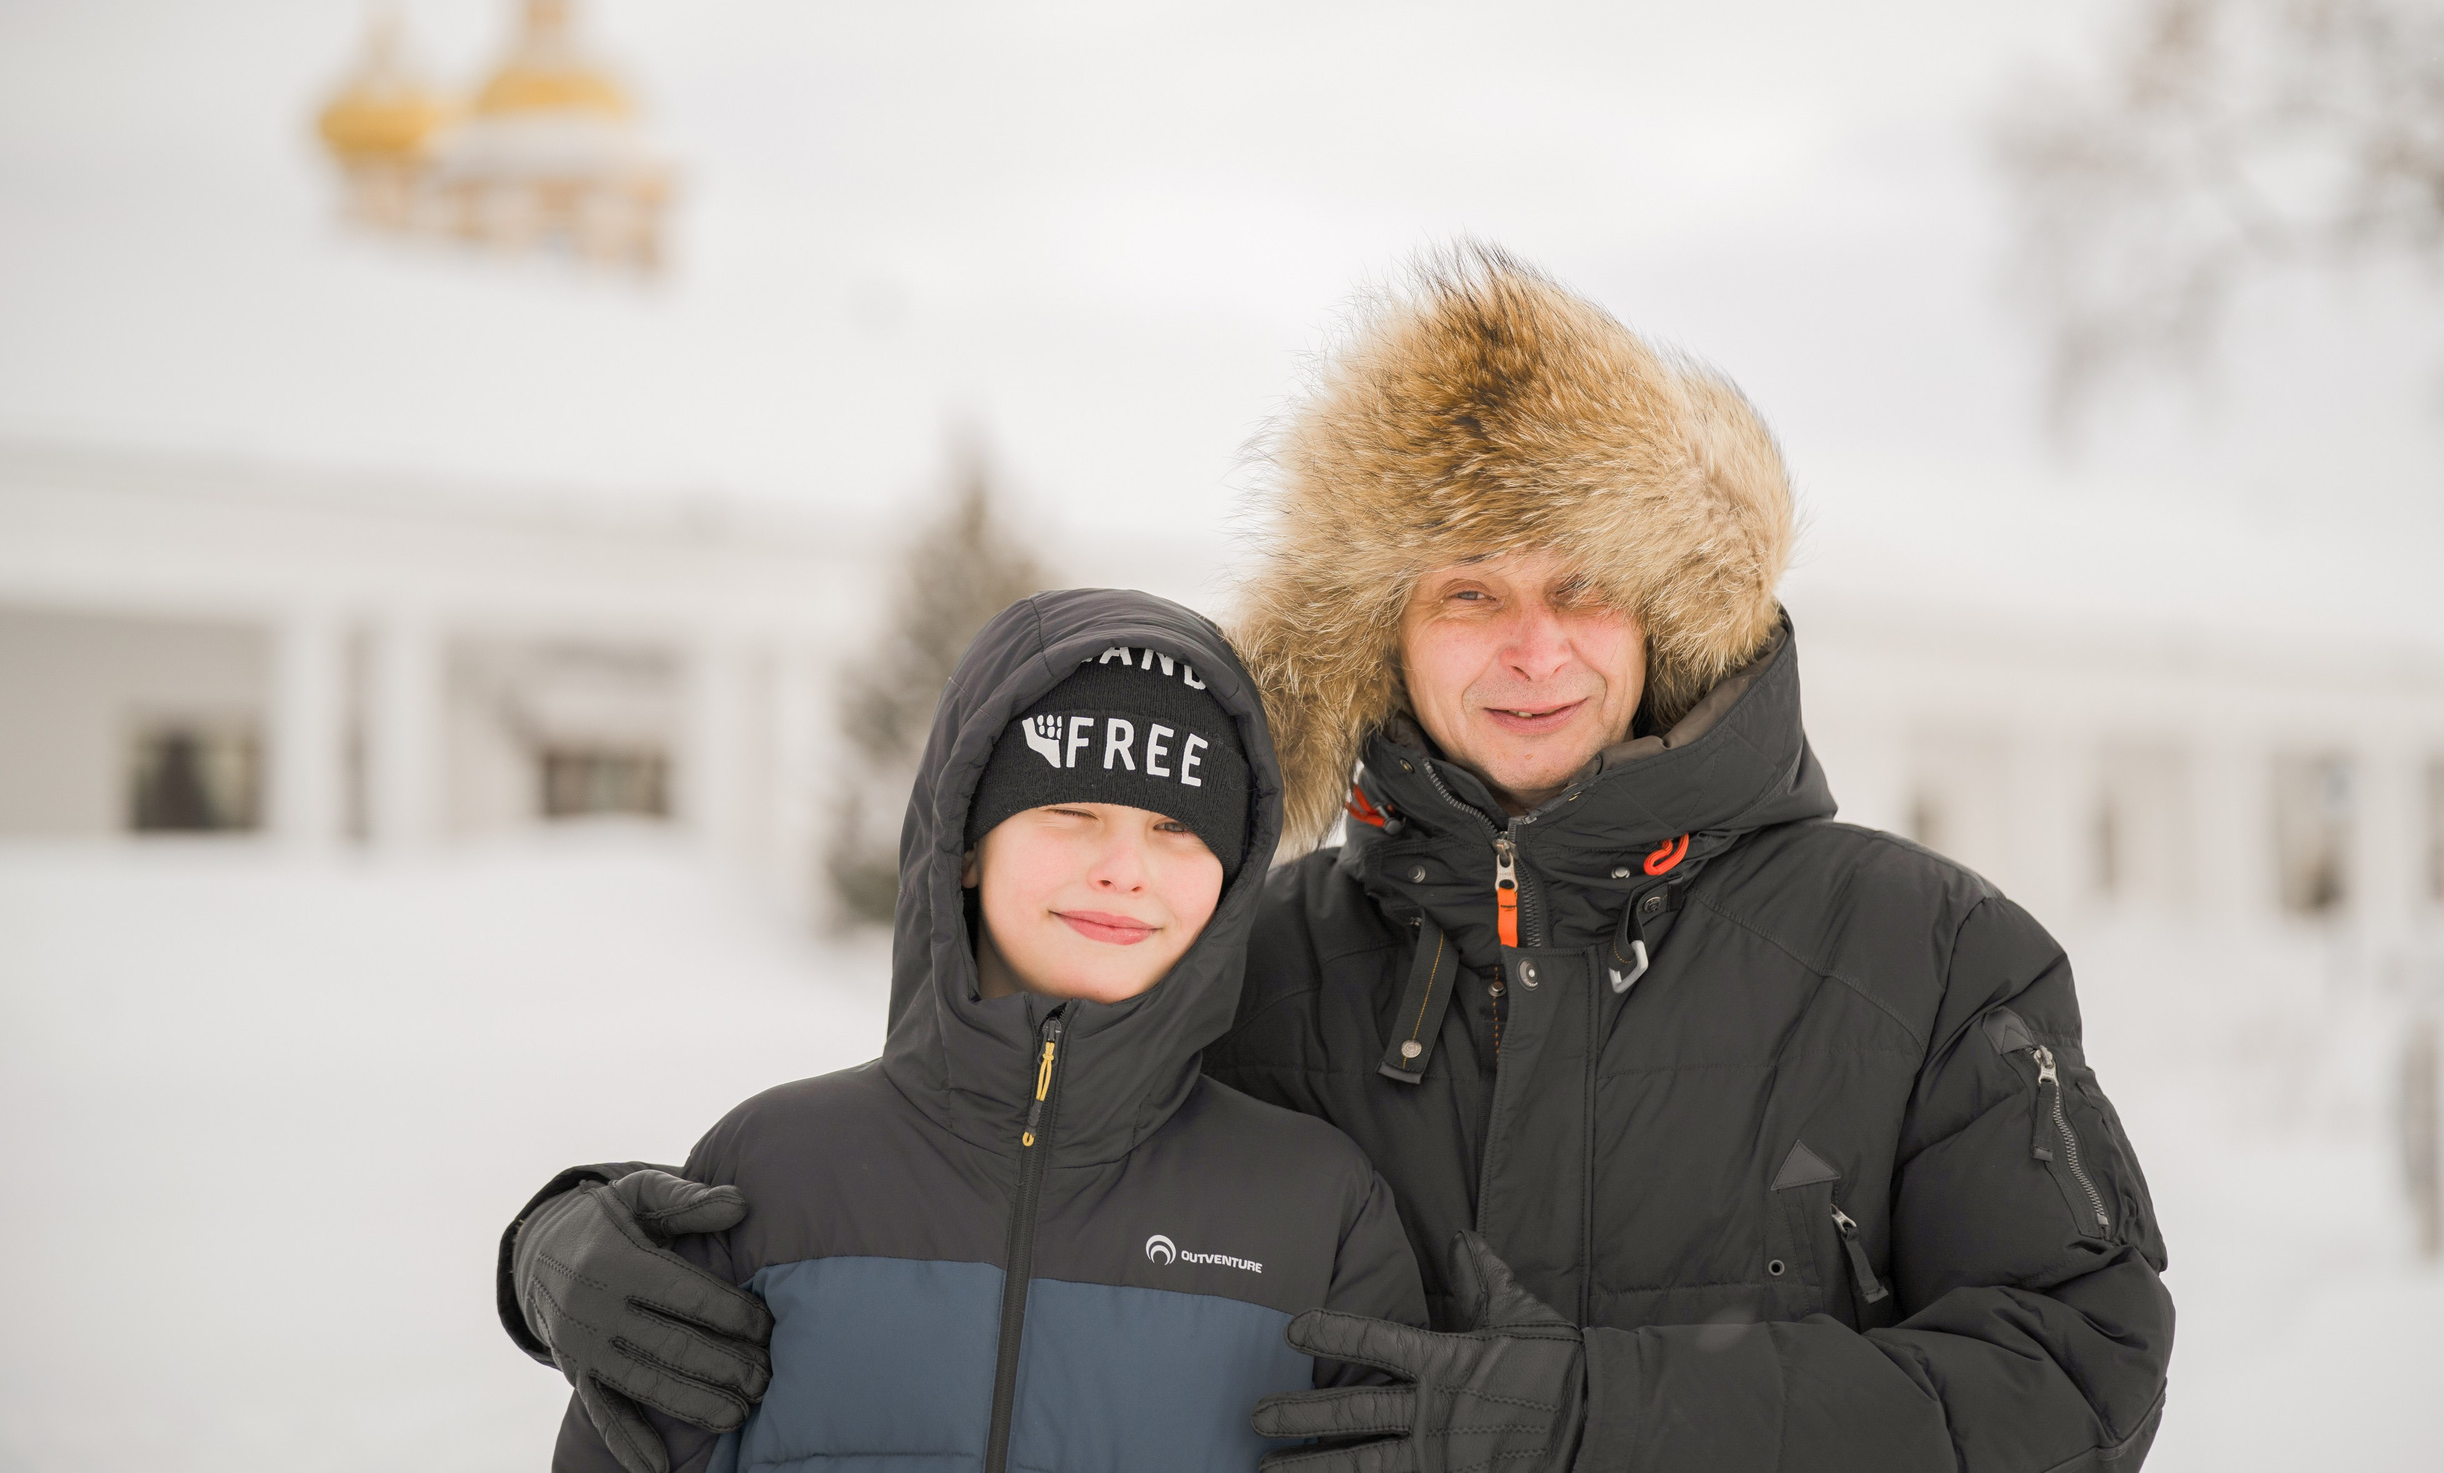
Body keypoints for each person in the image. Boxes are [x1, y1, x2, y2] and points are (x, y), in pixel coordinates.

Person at [500, 247, 2174, 1473]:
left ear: (1664, 614)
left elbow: (2079, 1377)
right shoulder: (1259, 964)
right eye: (1467, 594)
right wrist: (571, 1252)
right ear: (1385, 625)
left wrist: (1590, 1418)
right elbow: (991, 1169)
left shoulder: (1930, 953)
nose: (1532, 652)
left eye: (1579, 588)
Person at [507, 589, 1427, 1473]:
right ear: (970, 842)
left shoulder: (1319, 1209)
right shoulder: (772, 1167)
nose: (1123, 868)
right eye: (1072, 811)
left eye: (1176, 827)